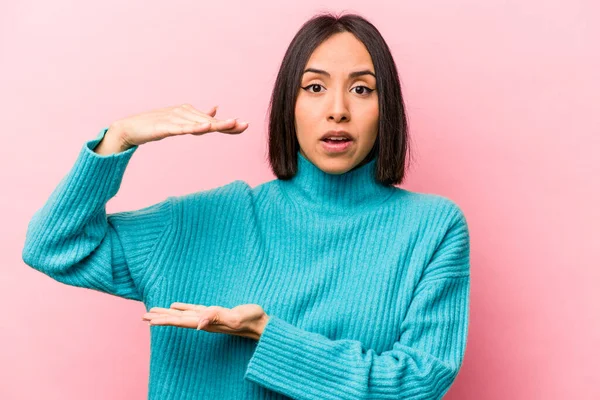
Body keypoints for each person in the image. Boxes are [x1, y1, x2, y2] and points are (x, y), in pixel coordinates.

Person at [22, 11, 470, 400]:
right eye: (314, 87)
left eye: (361, 90)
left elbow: (419, 383)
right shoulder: (203, 220)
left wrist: (265, 335)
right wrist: (116, 140)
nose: (337, 110)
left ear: (385, 107)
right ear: (287, 106)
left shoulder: (431, 228)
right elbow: (54, 247)